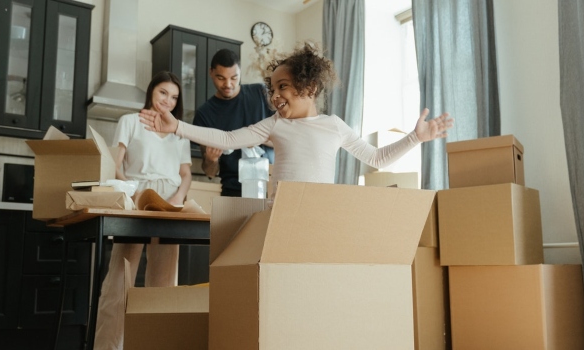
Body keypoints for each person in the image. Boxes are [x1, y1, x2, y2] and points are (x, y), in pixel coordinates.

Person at [139, 43, 453, 199]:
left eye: (283, 87)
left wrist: (415, 138)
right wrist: (176, 126)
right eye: (272, 89)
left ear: (310, 87)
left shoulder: (334, 126)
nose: (274, 96)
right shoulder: (276, 124)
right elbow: (228, 138)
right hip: (279, 212)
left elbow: (376, 157)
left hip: (320, 212)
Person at [94, 71, 192, 350]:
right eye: (163, 93)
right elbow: (116, 164)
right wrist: (133, 193)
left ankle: (154, 344)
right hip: (135, 199)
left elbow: (186, 174)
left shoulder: (178, 131)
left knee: (163, 283)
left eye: (174, 97)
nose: (168, 101)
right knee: (120, 278)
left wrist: (176, 200)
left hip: (170, 205)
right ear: (151, 91)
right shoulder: (130, 122)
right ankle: (108, 347)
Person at [193, 48, 274, 197]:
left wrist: (254, 138)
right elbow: (210, 172)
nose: (228, 84)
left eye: (234, 78)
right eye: (221, 78)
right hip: (233, 190)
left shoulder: (260, 93)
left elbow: (284, 138)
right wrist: (211, 159)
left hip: (270, 185)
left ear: (240, 72)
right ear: (211, 72)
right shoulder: (204, 114)